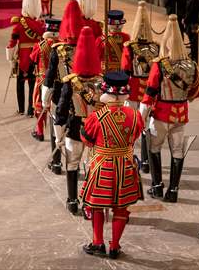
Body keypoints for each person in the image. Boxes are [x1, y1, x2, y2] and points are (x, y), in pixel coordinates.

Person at [80, 71, 144, 260]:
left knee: (97, 205)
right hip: (126, 165)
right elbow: (136, 136)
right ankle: (115, 246)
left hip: (103, 166)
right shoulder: (135, 115)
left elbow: (87, 139)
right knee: (121, 207)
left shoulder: (96, 117)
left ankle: (98, 242)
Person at [141, 14, 199, 202]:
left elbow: (150, 91)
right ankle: (173, 190)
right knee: (178, 151)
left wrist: (141, 115)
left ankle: (157, 186)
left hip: (160, 114)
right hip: (180, 114)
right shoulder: (192, 65)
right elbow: (196, 91)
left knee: (154, 148)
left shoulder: (160, 65)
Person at [55, 26, 103, 215]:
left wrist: (59, 136)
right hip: (96, 128)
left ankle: (72, 200)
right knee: (92, 166)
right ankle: (89, 203)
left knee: (72, 164)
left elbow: (61, 110)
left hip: (75, 127)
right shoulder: (102, 81)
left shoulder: (70, 82)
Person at [42, 0, 84, 176]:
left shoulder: (57, 49)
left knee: (57, 125)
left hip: (60, 92)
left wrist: (44, 99)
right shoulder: (85, 48)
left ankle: (57, 161)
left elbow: (50, 77)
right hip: (82, 94)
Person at [121, 1, 159, 173]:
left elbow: (125, 70)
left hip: (134, 89)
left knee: (130, 123)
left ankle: (129, 156)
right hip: (149, 90)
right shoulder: (156, 47)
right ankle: (145, 161)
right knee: (146, 125)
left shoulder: (130, 47)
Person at [6, 0, 44, 116]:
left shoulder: (19, 23)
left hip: (23, 56)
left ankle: (21, 109)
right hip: (36, 57)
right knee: (34, 83)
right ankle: (31, 109)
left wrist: (10, 58)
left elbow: (12, 42)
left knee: (20, 83)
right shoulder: (41, 25)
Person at [30, 17, 61, 141]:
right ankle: (56, 133)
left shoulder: (39, 45)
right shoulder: (61, 45)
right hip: (58, 79)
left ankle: (40, 132)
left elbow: (33, 58)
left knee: (39, 106)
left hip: (42, 79)